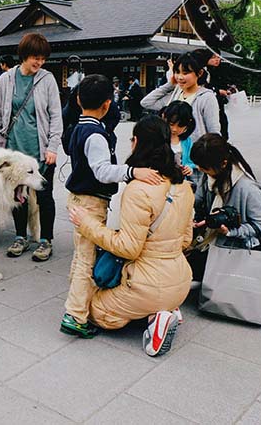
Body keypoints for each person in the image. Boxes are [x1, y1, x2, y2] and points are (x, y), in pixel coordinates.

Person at [66, 116, 194, 357]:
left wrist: (87, 224)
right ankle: (165, 309)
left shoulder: (139, 188)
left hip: (146, 286)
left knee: (95, 311)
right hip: (180, 282)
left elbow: (128, 249)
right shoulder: (183, 185)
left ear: (136, 143)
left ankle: (156, 319)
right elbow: (186, 239)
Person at [0, 33, 62, 262]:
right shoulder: (5, 80)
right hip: (14, 147)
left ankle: (45, 240)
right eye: (35, 57)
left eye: (42, 58)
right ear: (24, 56)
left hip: (40, 148)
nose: (39, 62)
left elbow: (56, 115)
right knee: (18, 194)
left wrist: (53, 147)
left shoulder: (47, 79)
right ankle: (20, 236)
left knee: (44, 195)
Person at [189, 133, 261, 307]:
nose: (200, 169)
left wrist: (231, 231)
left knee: (197, 278)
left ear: (223, 163)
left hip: (235, 246)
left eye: (204, 167)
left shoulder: (247, 188)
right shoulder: (209, 177)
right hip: (211, 240)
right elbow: (198, 203)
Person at [141, 52, 220, 142]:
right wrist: (170, 84)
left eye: (185, 73)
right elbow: (146, 102)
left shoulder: (206, 98)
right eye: (177, 72)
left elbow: (214, 132)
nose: (180, 77)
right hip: (172, 150)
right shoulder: (175, 95)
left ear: (199, 73)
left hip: (194, 151)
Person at [191, 49, 230, 140]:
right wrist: (218, 91)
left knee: (221, 127)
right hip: (207, 104)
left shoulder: (221, 70)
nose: (217, 60)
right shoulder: (202, 72)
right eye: (213, 57)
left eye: (219, 57)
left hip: (219, 105)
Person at [160, 101, 197, 185]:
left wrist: (189, 167)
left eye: (180, 126)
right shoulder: (159, 139)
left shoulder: (187, 142)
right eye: (171, 124)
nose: (174, 129)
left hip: (180, 182)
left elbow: (191, 161)